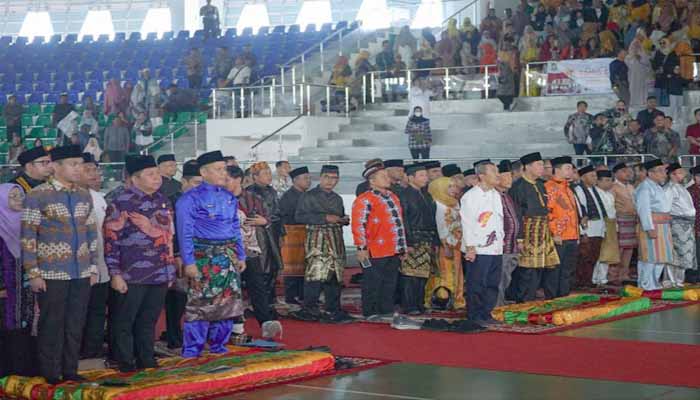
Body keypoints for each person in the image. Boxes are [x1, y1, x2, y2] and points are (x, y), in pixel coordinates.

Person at [21, 145, 98, 384]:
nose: (79, 169)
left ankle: (70, 370)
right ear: (55, 166)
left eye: (80, 164)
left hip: (81, 270)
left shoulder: (84, 194)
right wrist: (33, 272)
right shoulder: (38, 195)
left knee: (76, 323)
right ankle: (51, 373)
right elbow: (28, 236)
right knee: (52, 324)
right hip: (51, 272)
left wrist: (93, 266)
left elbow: (91, 232)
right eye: (73, 164)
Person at [105, 155, 175, 372]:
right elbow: (111, 239)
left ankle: (146, 358)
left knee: (149, 319)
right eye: (150, 174)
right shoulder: (122, 202)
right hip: (131, 272)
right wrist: (115, 273)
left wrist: (170, 268)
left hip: (160, 270)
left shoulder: (163, 200)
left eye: (157, 173)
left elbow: (169, 236)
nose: (157, 178)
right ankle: (125, 361)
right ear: (135, 179)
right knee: (125, 320)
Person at [176, 151, 249, 358]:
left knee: (227, 303)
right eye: (218, 169)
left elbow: (235, 228)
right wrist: (189, 261)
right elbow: (185, 232)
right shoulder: (189, 199)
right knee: (201, 304)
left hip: (228, 257)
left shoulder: (228, 197)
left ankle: (219, 346)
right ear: (203, 172)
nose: (223, 173)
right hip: (203, 256)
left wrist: (240, 255)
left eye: (224, 168)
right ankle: (192, 350)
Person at [226, 165, 282, 338]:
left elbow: (271, 217)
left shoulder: (252, 198)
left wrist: (264, 221)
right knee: (232, 288)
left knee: (257, 287)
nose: (224, 183)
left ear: (238, 180)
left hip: (251, 249)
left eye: (227, 179)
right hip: (228, 251)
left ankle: (265, 322)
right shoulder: (221, 199)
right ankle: (235, 326)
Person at [293, 166, 352, 323]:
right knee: (315, 274)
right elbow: (299, 216)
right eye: (327, 177)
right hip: (317, 239)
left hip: (336, 239)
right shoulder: (308, 196)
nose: (330, 181)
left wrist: (343, 220)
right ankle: (309, 308)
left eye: (334, 178)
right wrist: (325, 218)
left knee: (335, 275)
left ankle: (333, 308)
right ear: (320, 177)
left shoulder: (337, 198)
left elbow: (339, 217)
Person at [352, 163, 407, 319]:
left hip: (393, 248)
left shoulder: (393, 197)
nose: (387, 178)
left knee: (390, 282)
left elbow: (399, 224)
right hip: (374, 249)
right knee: (372, 282)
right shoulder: (364, 199)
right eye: (383, 176)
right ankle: (371, 311)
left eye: (387, 175)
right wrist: (361, 247)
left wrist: (402, 247)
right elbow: (359, 224)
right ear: (372, 180)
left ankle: (386, 309)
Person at [509, 152, 560, 303]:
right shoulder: (518, 187)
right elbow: (516, 214)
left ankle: (531, 300)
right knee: (526, 270)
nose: (542, 168)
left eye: (542, 165)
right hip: (527, 233)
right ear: (527, 167)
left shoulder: (540, 184)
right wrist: (519, 237)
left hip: (542, 232)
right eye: (538, 165)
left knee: (540, 269)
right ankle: (523, 302)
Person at [163, 160, 202, 350]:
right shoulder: (172, 200)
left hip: (201, 255)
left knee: (199, 300)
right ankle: (174, 337)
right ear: (184, 182)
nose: (199, 188)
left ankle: (195, 338)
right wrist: (179, 255)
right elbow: (172, 233)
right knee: (177, 300)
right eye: (196, 183)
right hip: (179, 256)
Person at [0, 183, 36, 377]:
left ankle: (24, 372)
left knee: (26, 325)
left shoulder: (27, 225)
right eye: (12, 196)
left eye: (20, 195)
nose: (18, 199)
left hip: (27, 288)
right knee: (7, 326)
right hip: (5, 291)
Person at [461, 160, 503, 324]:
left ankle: (486, 313)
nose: (497, 175)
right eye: (493, 172)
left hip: (496, 246)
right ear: (482, 176)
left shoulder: (496, 194)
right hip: (478, 248)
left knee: (492, 283)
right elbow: (467, 223)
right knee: (477, 283)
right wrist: (470, 247)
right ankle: (475, 315)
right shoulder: (470, 196)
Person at [79, 154, 109, 360]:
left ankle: (93, 353)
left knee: (97, 312)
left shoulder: (99, 198)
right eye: (88, 169)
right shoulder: (65, 197)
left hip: (101, 264)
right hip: (77, 268)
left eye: (95, 170)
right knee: (78, 313)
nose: (94, 174)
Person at [398, 163, 438, 315]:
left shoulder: (426, 195)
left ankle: (419, 303)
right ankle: (409, 305)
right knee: (410, 274)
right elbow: (403, 220)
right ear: (410, 178)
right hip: (413, 239)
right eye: (421, 175)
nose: (425, 178)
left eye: (425, 175)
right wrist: (407, 242)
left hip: (426, 239)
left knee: (423, 274)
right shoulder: (404, 195)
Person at [246, 162, 285, 306]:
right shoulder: (249, 193)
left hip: (271, 233)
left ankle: (270, 301)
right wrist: (265, 221)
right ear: (255, 177)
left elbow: (278, 214)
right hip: (258, 236)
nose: (269, 176)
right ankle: (259, 303)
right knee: (262, 269)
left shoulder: (272, 191)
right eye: (265, 173)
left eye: (270, 173)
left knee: (273, 268)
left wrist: (280, 233)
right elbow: (250, 217)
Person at [425, 176, 466, 310]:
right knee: (443, 274)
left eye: (454, 186)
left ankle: (457, 300)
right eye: (450, 186)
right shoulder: (438, 204)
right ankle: (440, 300)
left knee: (457, 274)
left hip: (457, 245)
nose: (454, 189)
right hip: (444, 246)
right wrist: (445, 245)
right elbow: (440, 226)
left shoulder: (454, 203)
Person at [544, 156, 580, 299]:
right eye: (567, 168)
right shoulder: (550, 187)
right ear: (557, 170)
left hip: (571, 235)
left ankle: (563, 297)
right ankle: (552, 299)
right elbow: (548, 212)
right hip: (559, 236)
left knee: (567, 271)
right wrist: (554, 232)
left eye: (571, 168)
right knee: (554, 270)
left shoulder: (568, 189)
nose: (571, 171)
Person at [635, 159, 673, 290]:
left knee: (661, 257)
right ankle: (646, 284)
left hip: (663, 225)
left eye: (664, 171)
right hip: (652, 226)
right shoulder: (645, 187)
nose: (664, 174)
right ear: (650, 173)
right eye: (661, 171)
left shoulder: (657, 186)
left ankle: (654, 283)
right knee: (650, 257)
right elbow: (643, 210)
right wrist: (649, 228)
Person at [278, 167, 312, 305]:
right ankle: (291, 298)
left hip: (305, 234)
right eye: (305, 178)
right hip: (292, 234)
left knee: (304, 267)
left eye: (309, 178)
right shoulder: (288, 196)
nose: (308, 181)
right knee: (292, 268)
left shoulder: (307, 195)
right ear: (295, 180)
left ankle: (302, 295)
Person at [574, 165, 607, 288]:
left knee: (593, 257)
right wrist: (584, 232)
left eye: (595, 176)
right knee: (584, 258)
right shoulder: (579, 190)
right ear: (583, 177)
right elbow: (581, 213)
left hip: (598, 229)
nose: (595, 178)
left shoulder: (595, 190)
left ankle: (588, 281)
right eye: (592, 176)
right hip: (588, 230)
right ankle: (581, 282)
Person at [664, 163, 696, 288]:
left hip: (687, 224)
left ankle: (679, 280)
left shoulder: (681, 187)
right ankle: (671, 280)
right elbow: (666, 208)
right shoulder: (669, 189)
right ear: (672, 174)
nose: (683, 175)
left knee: (686, 253)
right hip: (676, 223)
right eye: (680, 172)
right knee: (676, 253)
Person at [495, 160, 520, 306]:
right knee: (498, 277)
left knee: (506, 276)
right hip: (501, 245)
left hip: (512, 244)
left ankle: (501, 301)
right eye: (507, 176)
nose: (510, 179)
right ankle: (496, 304)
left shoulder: (506, 196)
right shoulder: (493, 196)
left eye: (511, 176)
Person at [610, 162, 637, 285]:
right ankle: (613, 276)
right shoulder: (613, 187)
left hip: (631, 220)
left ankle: (624, 275)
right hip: (620, 220)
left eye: (628, 171)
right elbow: (611, 206)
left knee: (629, 248)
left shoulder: (631, 187)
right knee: (618, 249)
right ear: (616, 173)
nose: (627, 173)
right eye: (623, 171)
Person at [591, 170, 620, 286]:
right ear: (598, 181)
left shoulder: (609, 194)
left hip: (611, 225)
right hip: (600, 225)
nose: (610, 183)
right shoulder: (595, 193)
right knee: (599, 253)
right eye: (606, 180)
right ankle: (594, 279)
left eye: (610, 180)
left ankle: (602, 279)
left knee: (607, 254)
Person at [626, 41, 652, 107]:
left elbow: (648, 65)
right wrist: (632, 58)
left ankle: (642, 102)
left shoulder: (644, 55)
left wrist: (640, 59)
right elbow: (627, 65)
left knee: (642, 89)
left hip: (642, 76)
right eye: (634, 46)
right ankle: (632, 102)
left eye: (637, 46)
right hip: (632, 77)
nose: (635, 48)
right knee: (632, 88)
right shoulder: (628, 57)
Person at [686, 166, 700, 284]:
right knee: (695, 252)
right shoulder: (689, 191)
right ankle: (694, 275)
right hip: (694, 226)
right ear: (694, 177)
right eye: (698, 176)